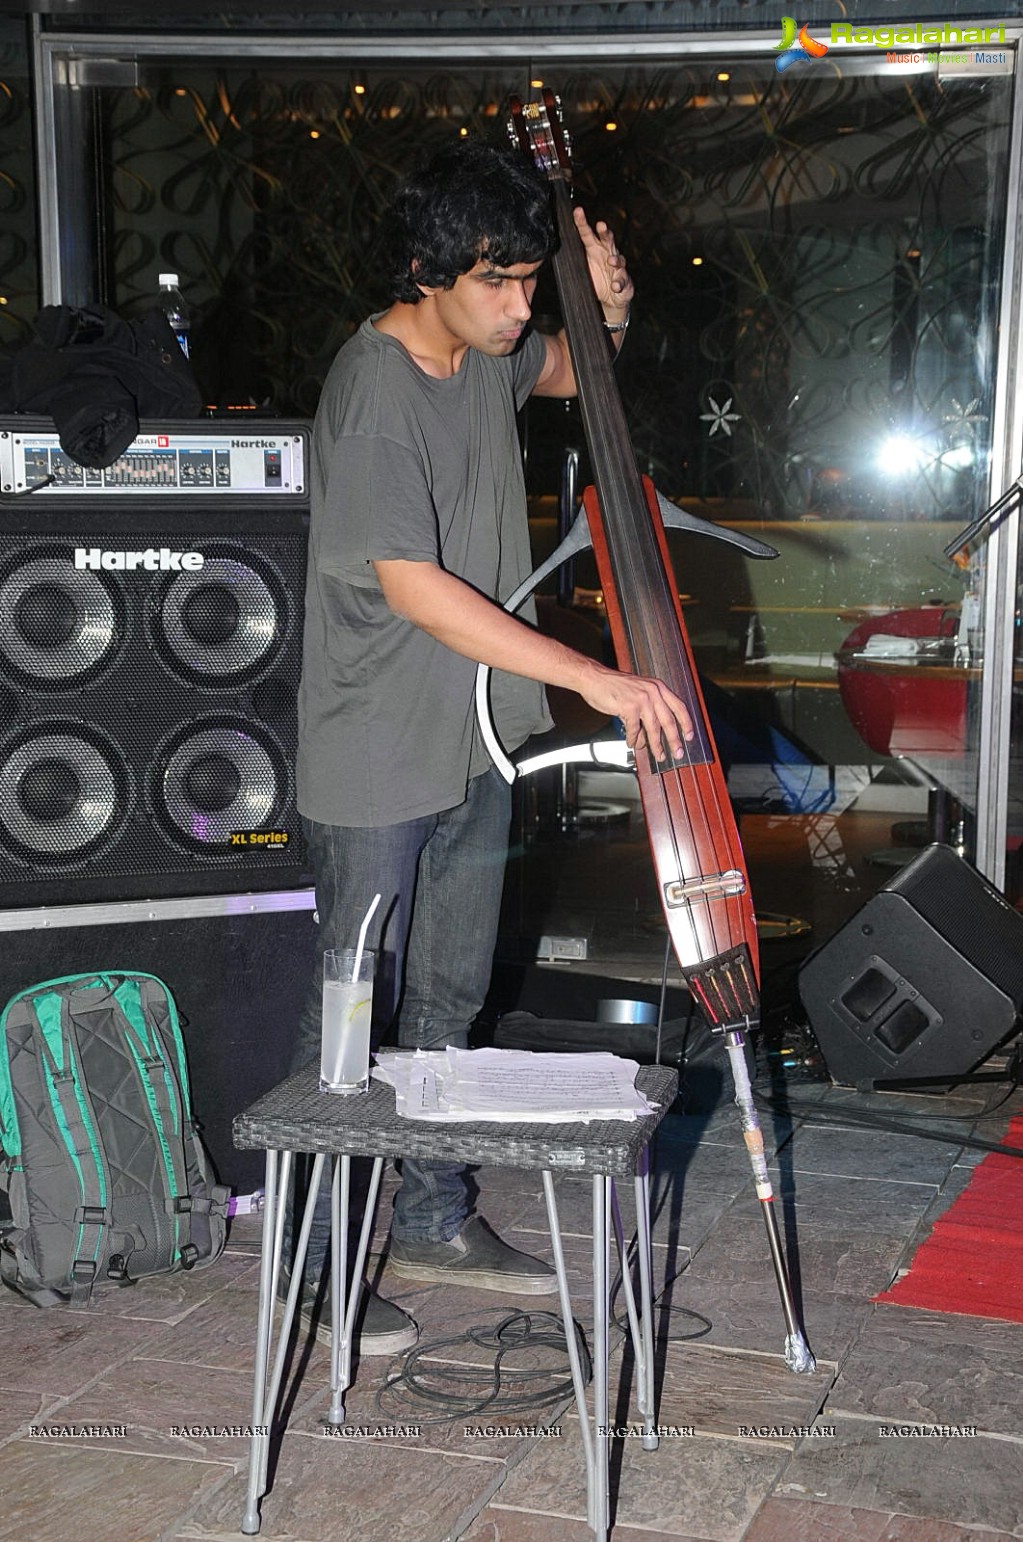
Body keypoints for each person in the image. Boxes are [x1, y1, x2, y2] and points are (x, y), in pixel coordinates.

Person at [290, 137, 693, 1356]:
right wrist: (592, 679)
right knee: (354, 1020)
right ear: (427, 273)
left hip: (472, 742)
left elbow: (584, 373)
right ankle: (316, 1268)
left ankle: (429, 1215)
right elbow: (412, 584)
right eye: (502, 282)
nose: (525, 307)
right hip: (374, 759)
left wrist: (606, 303)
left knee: (453, 1001)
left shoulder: (483, 356)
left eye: (532, 279)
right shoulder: (375, 395)